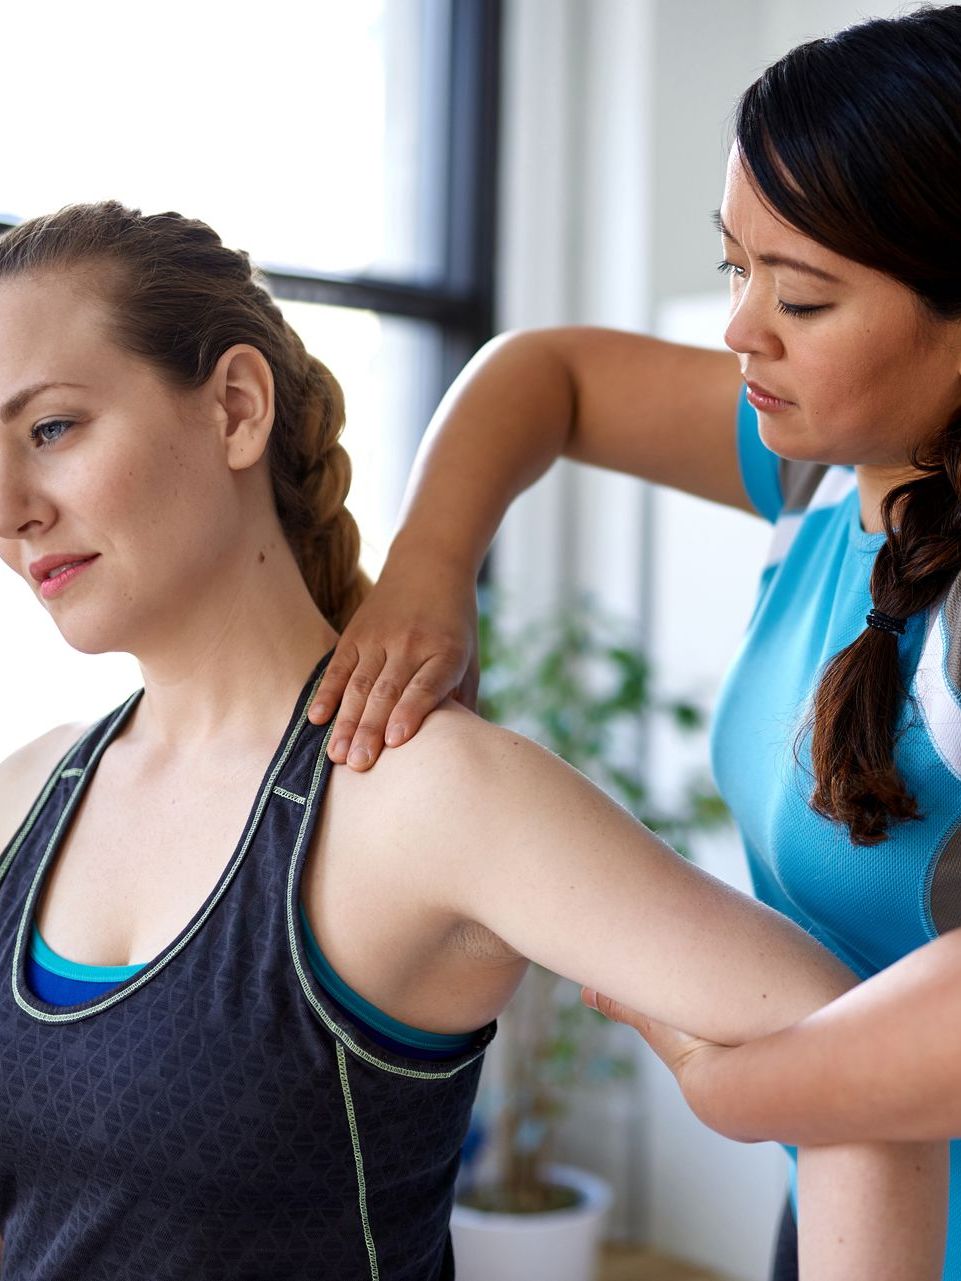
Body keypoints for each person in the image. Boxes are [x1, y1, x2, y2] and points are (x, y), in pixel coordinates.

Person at [0, 203, 944, 1281]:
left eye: (51, 430)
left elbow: (861, 1090)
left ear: (235, 408)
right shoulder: (23, 795)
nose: (10, 505)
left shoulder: (424, 796)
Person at [301, 5, 961, 1279]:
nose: (739, 329)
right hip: (836, 1200)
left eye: (803, 295)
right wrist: (431, 571)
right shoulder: (830, 475)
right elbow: (543, 375)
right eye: (736, 268)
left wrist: (738, 1094)